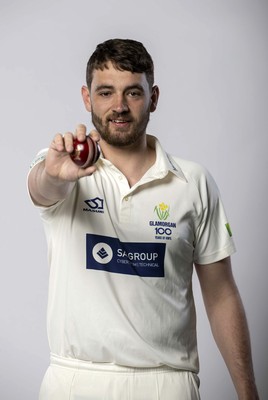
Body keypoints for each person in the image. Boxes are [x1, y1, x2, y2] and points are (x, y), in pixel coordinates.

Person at [28, 38, 259, 400]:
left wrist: (249, 394)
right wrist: (55, 175)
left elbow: (221, 294)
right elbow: (43, 188)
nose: (118, 107)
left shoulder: (193, 181)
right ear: (87, 99)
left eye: (132, 93)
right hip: (74, 381)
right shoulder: (65, 168)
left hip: (166, 383)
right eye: (106, 92)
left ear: (153, 98)